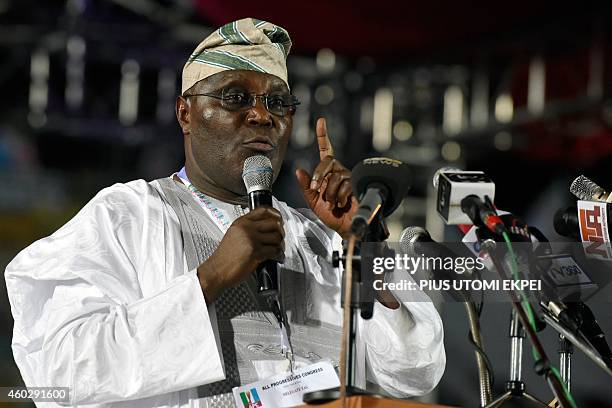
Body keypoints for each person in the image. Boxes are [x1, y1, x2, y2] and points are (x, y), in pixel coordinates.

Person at [5, 18, 445, 407]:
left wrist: (364, 255)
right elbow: (58, 371)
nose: (260, 115)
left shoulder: (322, 239)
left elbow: (414, 373)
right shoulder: (129, 215)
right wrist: (210, 276)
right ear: (186, 113)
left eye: (277, 103)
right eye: (235, 97)